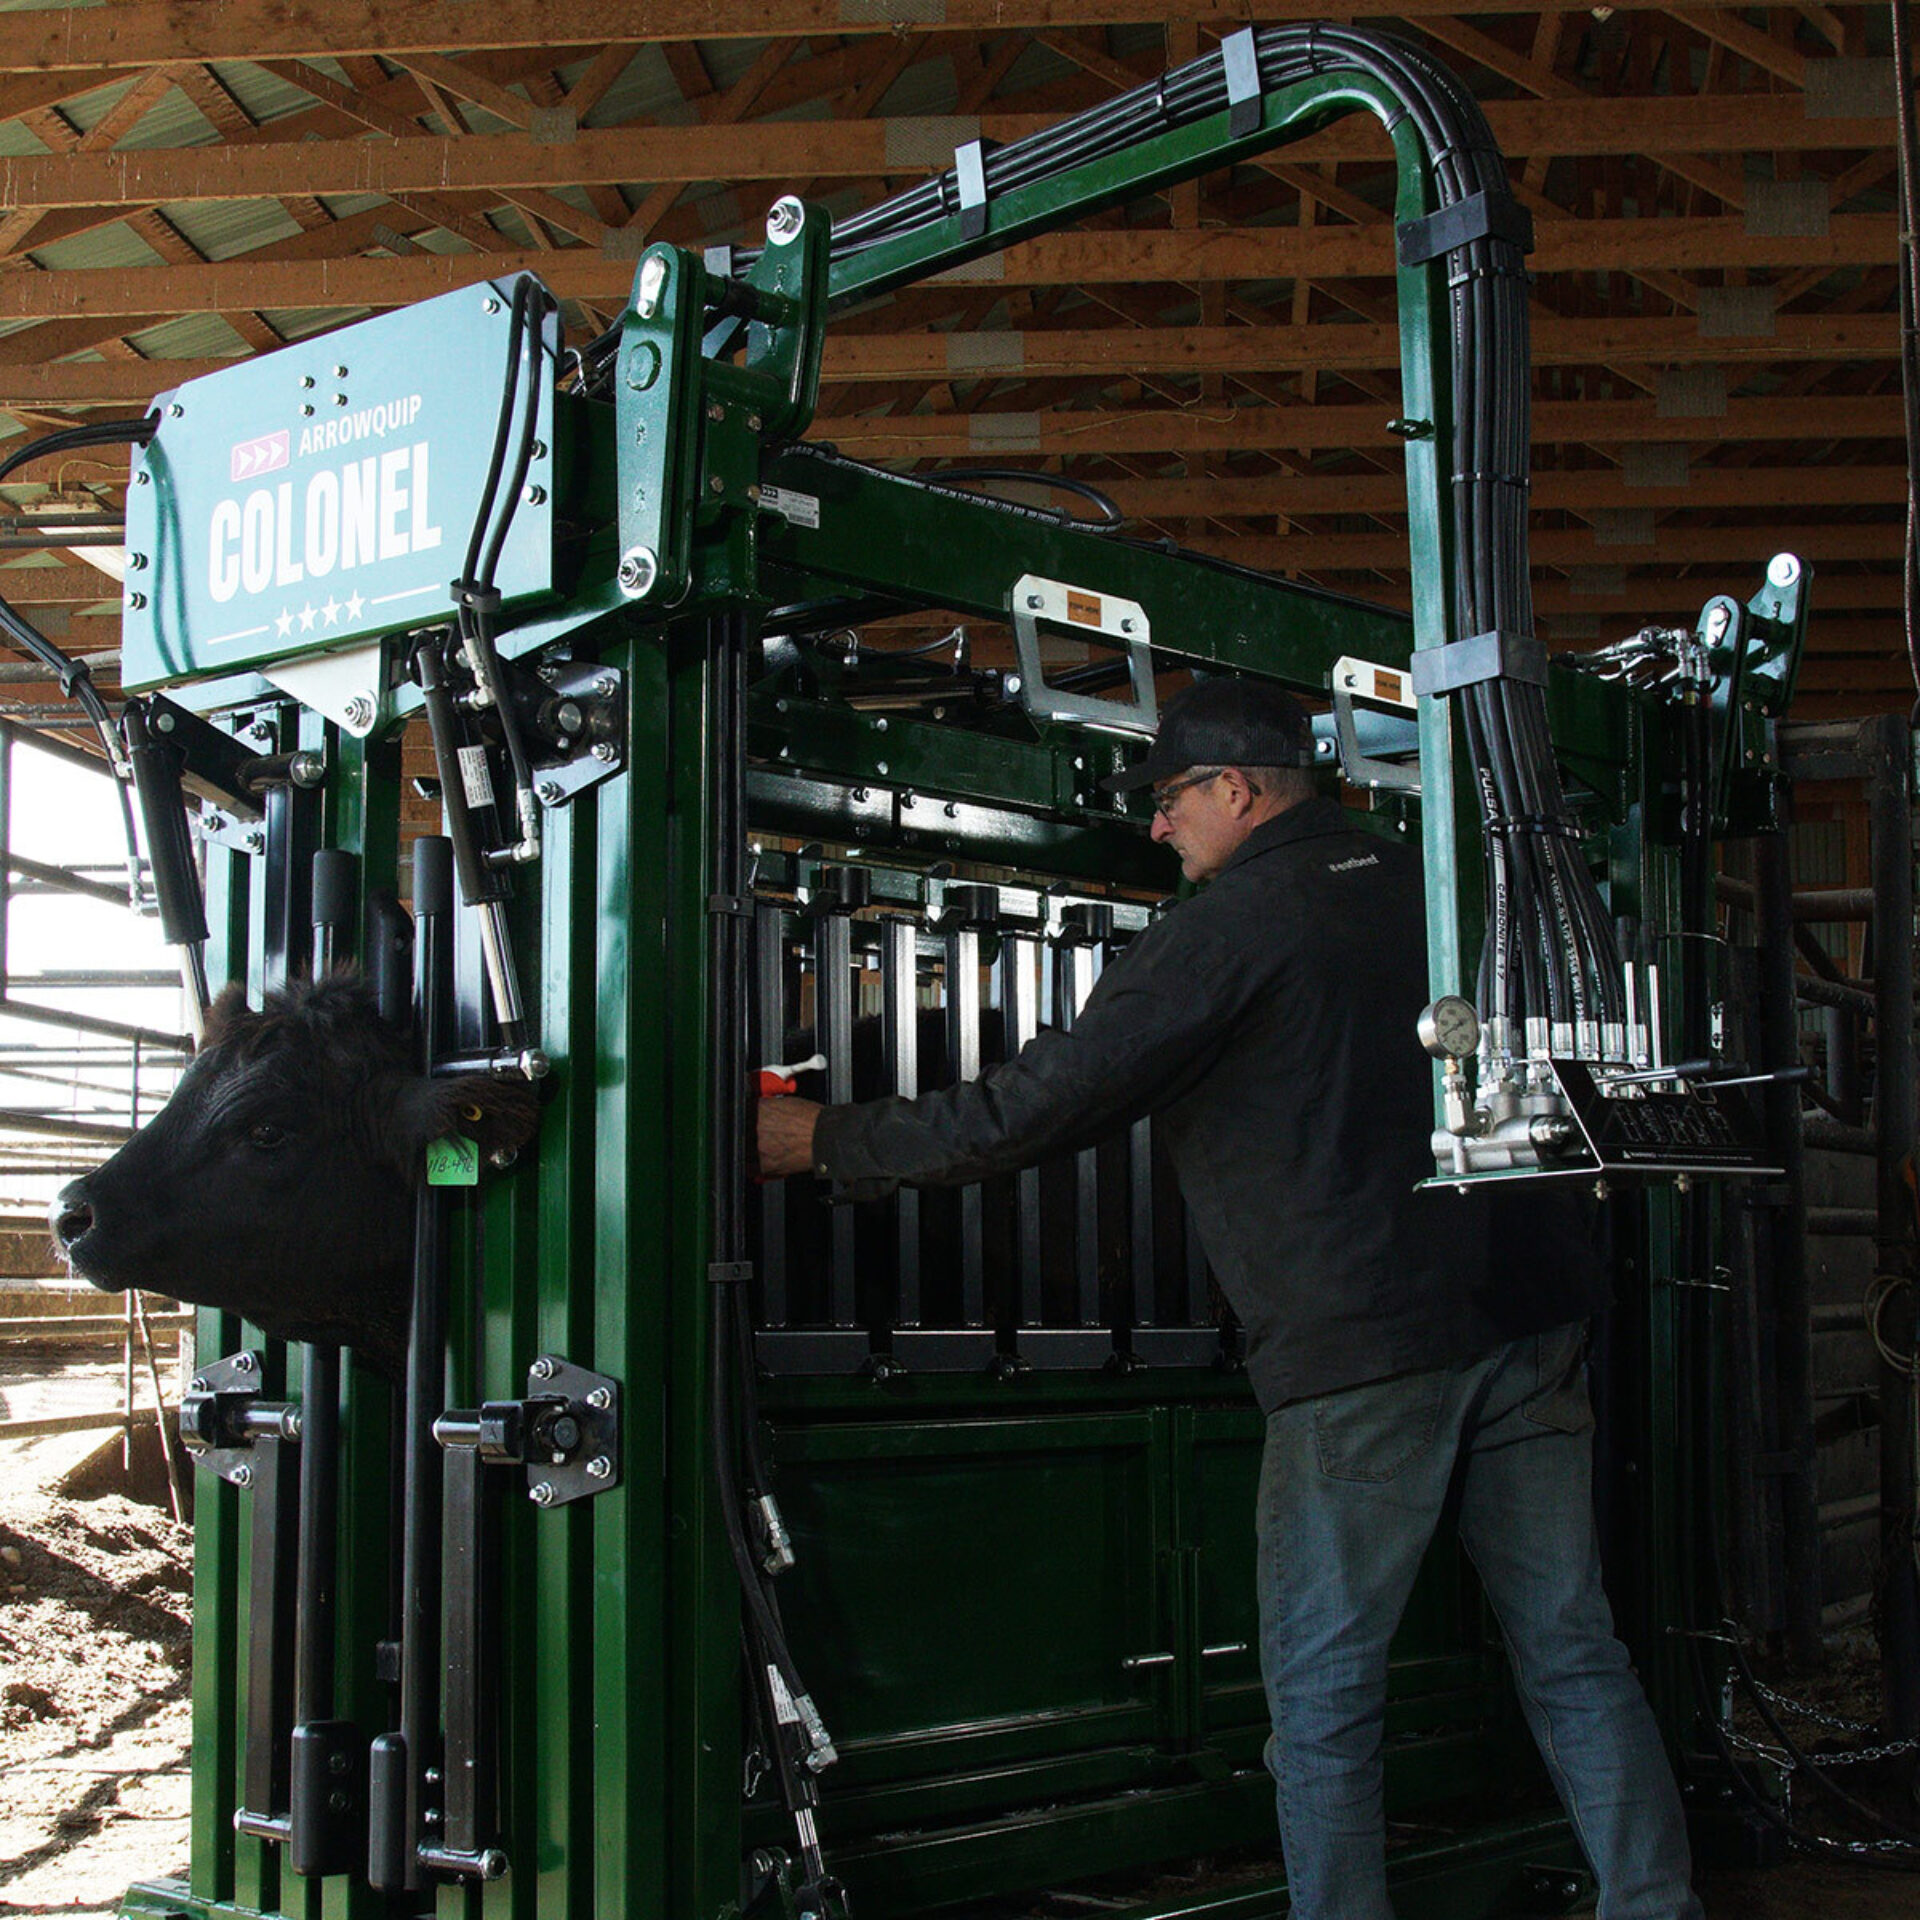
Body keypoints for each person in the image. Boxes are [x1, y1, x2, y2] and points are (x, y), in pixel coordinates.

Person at [757, 676, 1702, 1920]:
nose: (1157, 828)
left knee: (1324, 1703)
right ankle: (1656, 1907)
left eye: (1168, 800)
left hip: (1366, 1349)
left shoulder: (1230, 927)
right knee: (1576, 1653)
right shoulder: (1440, 890)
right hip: (1531, 1316)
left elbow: (1037, 1106)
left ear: (1239, 790)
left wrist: (826, 1141)